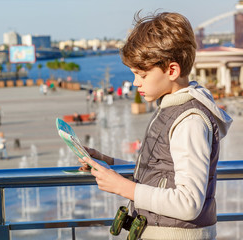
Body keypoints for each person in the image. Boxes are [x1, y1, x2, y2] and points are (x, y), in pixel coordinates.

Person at [78, 12, 232, 239]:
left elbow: (189, 203)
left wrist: (124, 188)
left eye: (141, 74)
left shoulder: (190, 121)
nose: (135, 82)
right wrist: (109, 164)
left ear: (172, 71)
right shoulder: (171, 108)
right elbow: (160, 173)